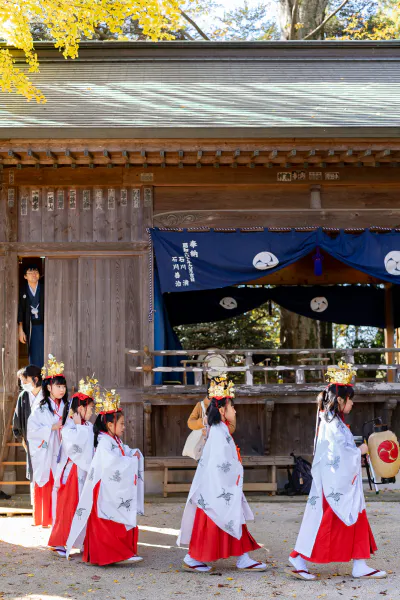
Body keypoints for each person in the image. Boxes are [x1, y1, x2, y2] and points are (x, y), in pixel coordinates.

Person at [288, 363, 387, 581]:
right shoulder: (331, 423)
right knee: (326, 522)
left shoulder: (333, 421)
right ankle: (299, 557)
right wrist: (359, 451)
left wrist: (356, 452)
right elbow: (337, 455)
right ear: (340, 400)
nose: (352, 403)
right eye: (350, 399)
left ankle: (360, 563)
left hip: (337, 482)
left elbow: (340, 450)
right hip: (333, 484)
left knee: (353, 517)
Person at [178, 375, 266, 573]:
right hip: (218, 486)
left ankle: (242, 557)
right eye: (231, 406)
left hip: (222, 485)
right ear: (221, 410)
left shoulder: (220, 428)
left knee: (231, 518)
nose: (234, 410)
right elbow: (220, 462)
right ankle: (193, 557)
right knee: (216, 520)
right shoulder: (218, 431)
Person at [66, 389, 144, 566]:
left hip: (110, 486)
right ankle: (113, 554)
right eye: (122, 424)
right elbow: (111, 461)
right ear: (110, 425)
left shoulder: (112, 439)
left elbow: (122, 452)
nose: (124, 427)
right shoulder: (103, 441)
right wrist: (129, 460)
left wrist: (133, 454)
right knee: (109, 522)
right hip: (104, 489)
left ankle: (121, 552)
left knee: (115, 519)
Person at [48, 377, 96, 557]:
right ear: (81, 408)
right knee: (68, 507)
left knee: (84, 507)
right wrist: (80, 428)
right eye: (90, 407)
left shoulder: (86, 425)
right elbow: (75, 449)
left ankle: (82, 540)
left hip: (83, 471)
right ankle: (60, 541)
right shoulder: (70, 427)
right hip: (72, 472)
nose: (92, 411)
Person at [27, 355, 67, 528]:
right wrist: (51, 428)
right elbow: (32, 430)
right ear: (49, 387)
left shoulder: (66, 406)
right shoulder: (41, 406)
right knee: (48, 479)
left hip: (63, 448)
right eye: (58, 386)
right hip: (47, 449)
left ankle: (61, 517)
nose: (62, 390)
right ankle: (48, 519)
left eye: (64, 386)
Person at [12, 365, 44, 506]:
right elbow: (17, 422)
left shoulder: (47, 395)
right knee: (34, 476)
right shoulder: (23, 397)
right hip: (31, 443)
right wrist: (23, 440)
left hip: (48, 441)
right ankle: (37, 511)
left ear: (35, 379)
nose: (23, 385)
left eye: (25, 381)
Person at [18, 264, 44, 368]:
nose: (34, 274)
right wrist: (20, 330)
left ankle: (48, 378)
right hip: (31, 326)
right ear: (25, 276)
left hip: (44, 325)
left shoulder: (44, 287)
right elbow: (20, 310)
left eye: (36, 272)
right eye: (31, 272)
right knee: (33, 352)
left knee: (46, 350)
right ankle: (35, 377)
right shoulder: (22, 290)